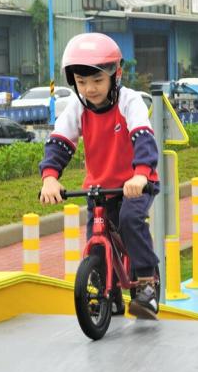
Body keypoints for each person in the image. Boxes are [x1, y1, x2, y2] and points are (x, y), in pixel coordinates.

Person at [39, 33, 162, 319]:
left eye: (97, 81)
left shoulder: (130, 102)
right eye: (82, 83)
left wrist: (141, 174)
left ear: (115, 75)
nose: (90, 89)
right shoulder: (78, 108)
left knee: (130, 221)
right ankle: (111, 296)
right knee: (95, 235)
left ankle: (146, 283)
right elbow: (60, 142)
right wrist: (49, 177)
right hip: (100, 188)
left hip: (135, 184)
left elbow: (143, 138)